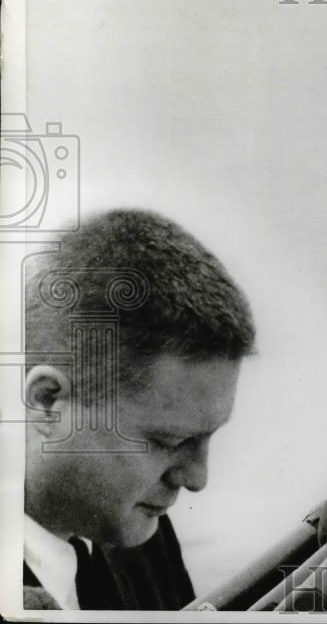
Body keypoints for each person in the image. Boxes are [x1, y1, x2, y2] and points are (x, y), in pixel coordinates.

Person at [22, 209, 255, 610]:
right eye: (169, 440)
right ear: (48, 403)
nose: (198, 479)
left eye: (207, 437)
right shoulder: (127, 518)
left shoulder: (138, 534)